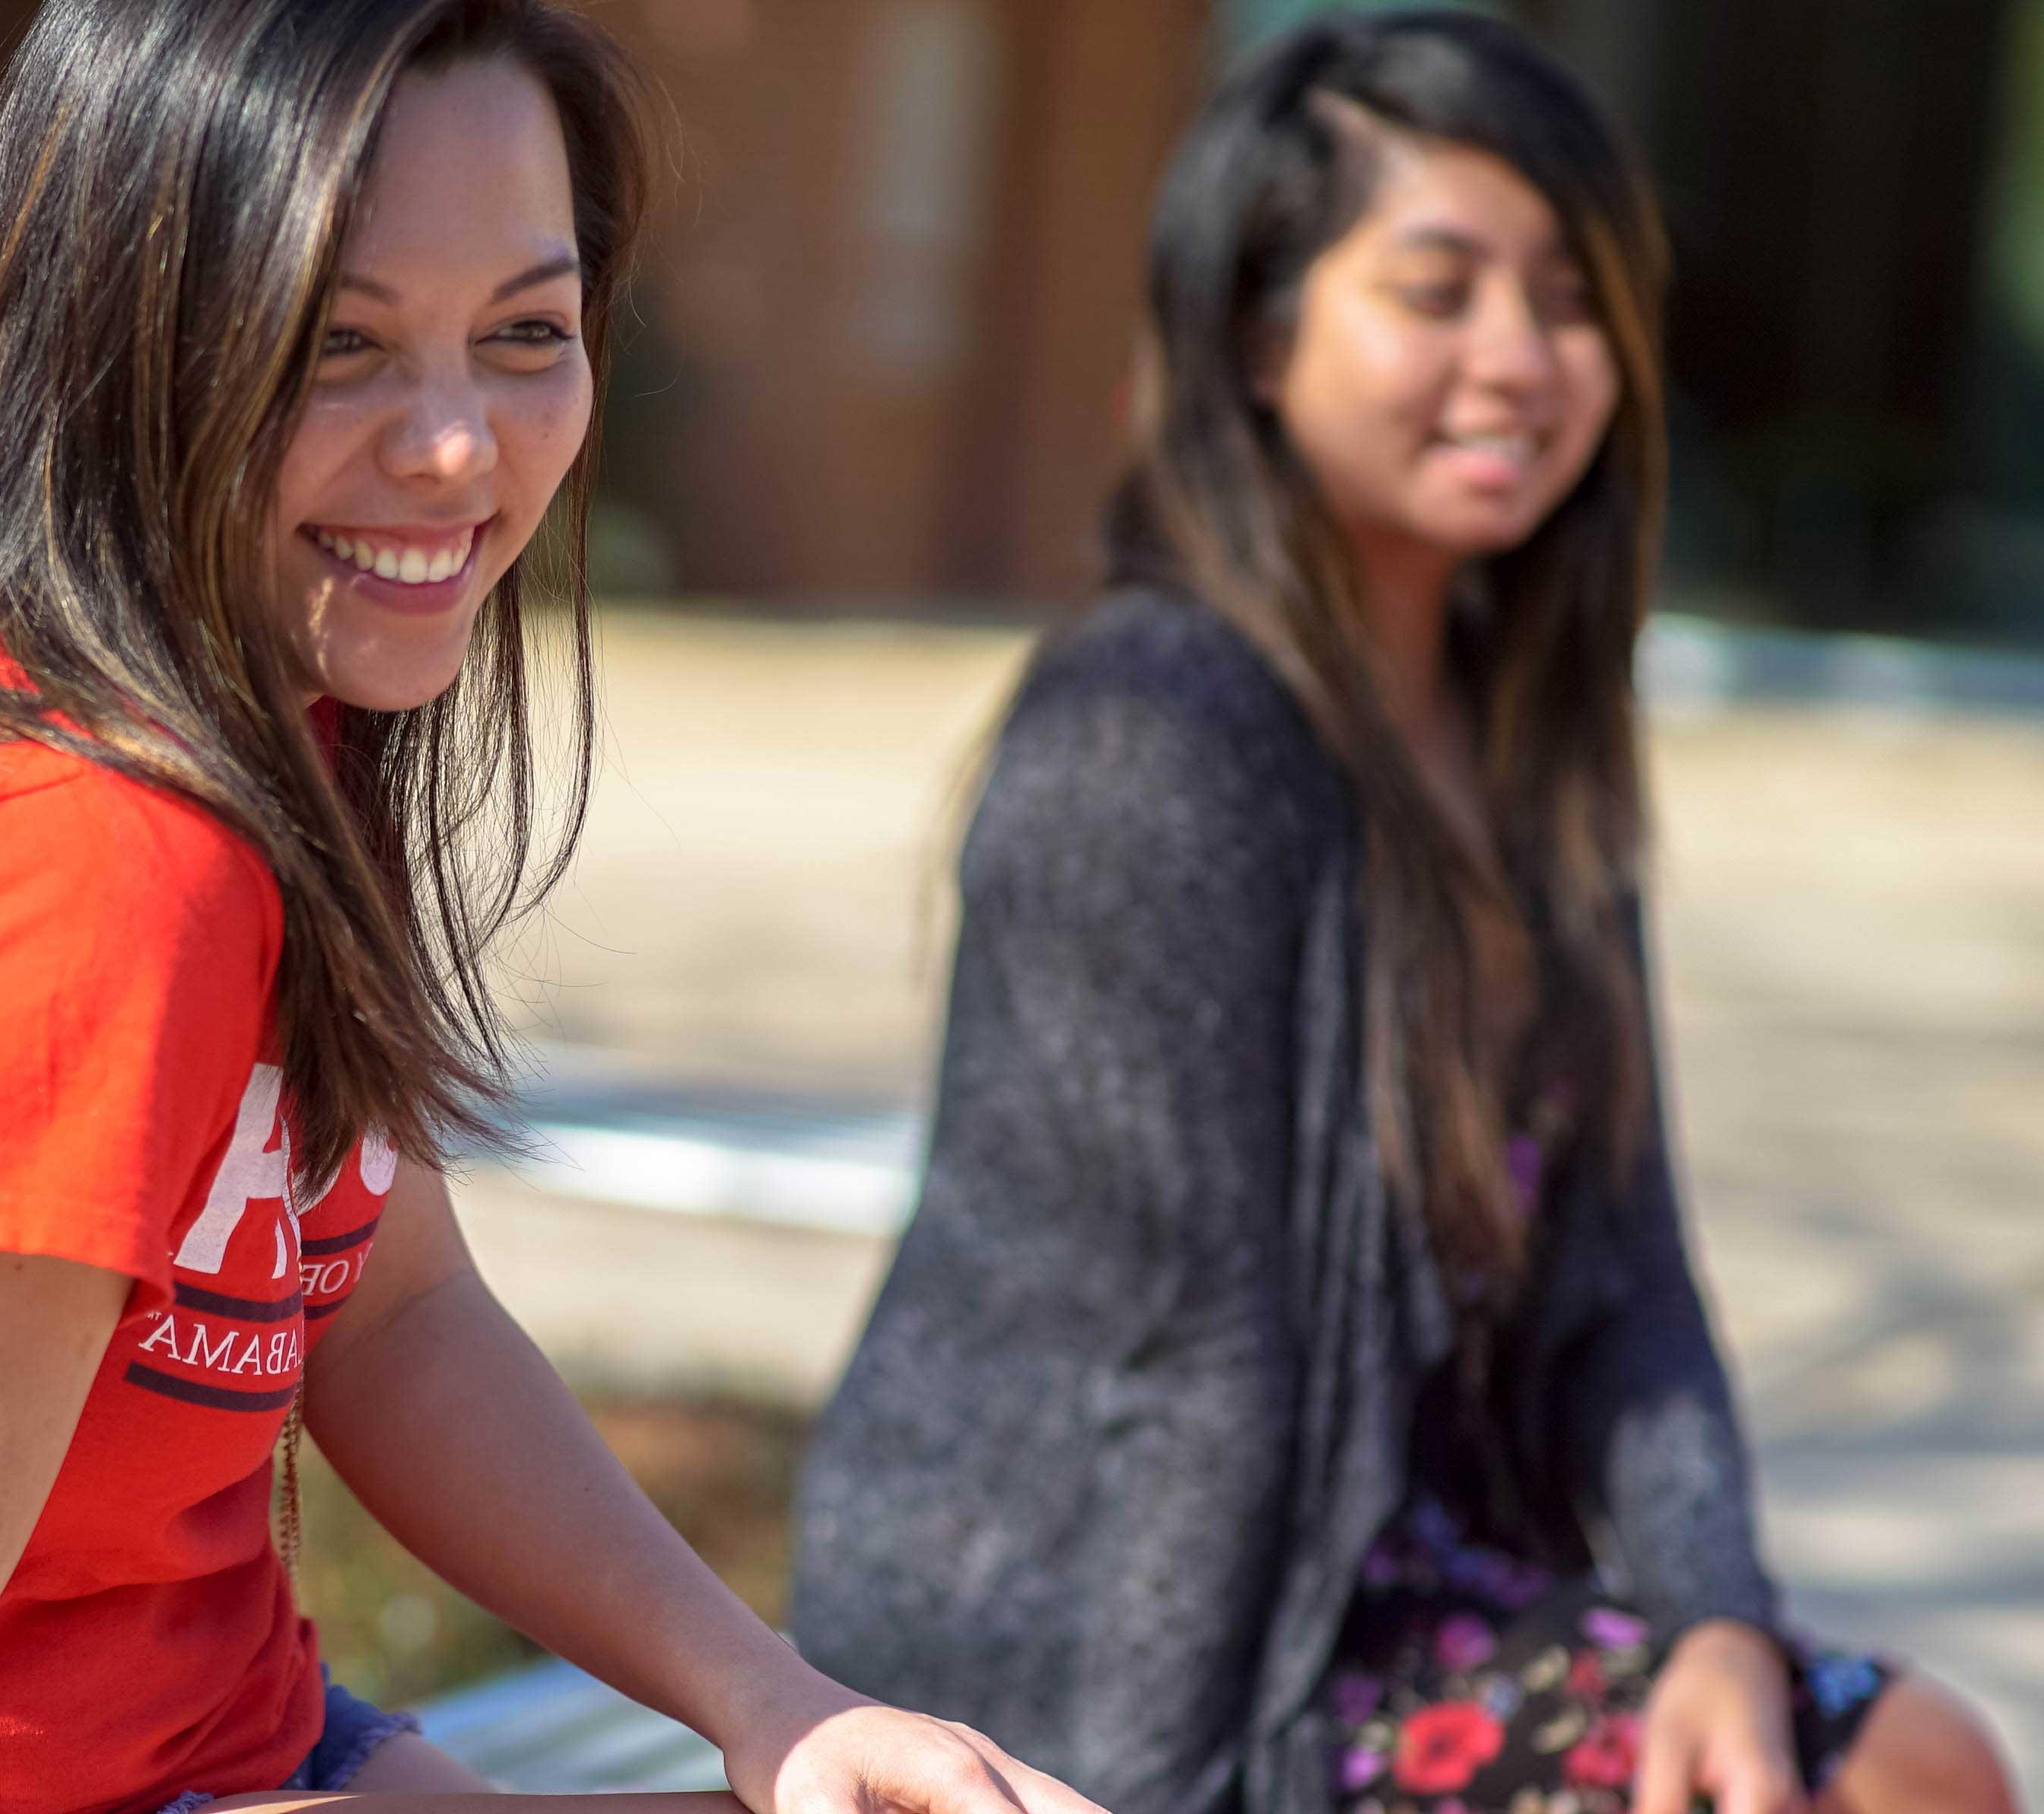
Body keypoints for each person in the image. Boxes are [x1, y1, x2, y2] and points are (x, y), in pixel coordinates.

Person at [0, 4, 1104, 1812]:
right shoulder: (64, 865)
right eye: (341, 347)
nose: (459, 451)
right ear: (119, 337)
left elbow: (388, 1314)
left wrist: (769, 1702)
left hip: (210, 1739)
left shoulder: (254, 705)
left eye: (525, 335)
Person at [789, 14, 2019, 1814]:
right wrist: (1143, 1793)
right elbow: (1185, 1361)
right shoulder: (1153, 726)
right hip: (1089, 1633)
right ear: (1257, 330)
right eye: (1434, 291)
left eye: (1569, 298)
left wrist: (1715, 1623)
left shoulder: (1524, 730)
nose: (1520, 358)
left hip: (1392, 1581)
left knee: (1901, 1761)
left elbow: (1628, 1269)